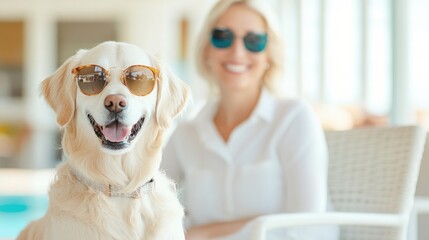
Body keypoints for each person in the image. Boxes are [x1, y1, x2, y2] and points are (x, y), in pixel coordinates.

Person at [162, 0, 336, 239]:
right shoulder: (186, 133)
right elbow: (145, 194)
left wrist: (202, 234)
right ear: (206, 50)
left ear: (269, 55)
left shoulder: (294, 118)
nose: (237, 52)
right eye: (223, 36)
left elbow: (308, 225)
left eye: (254, 41)